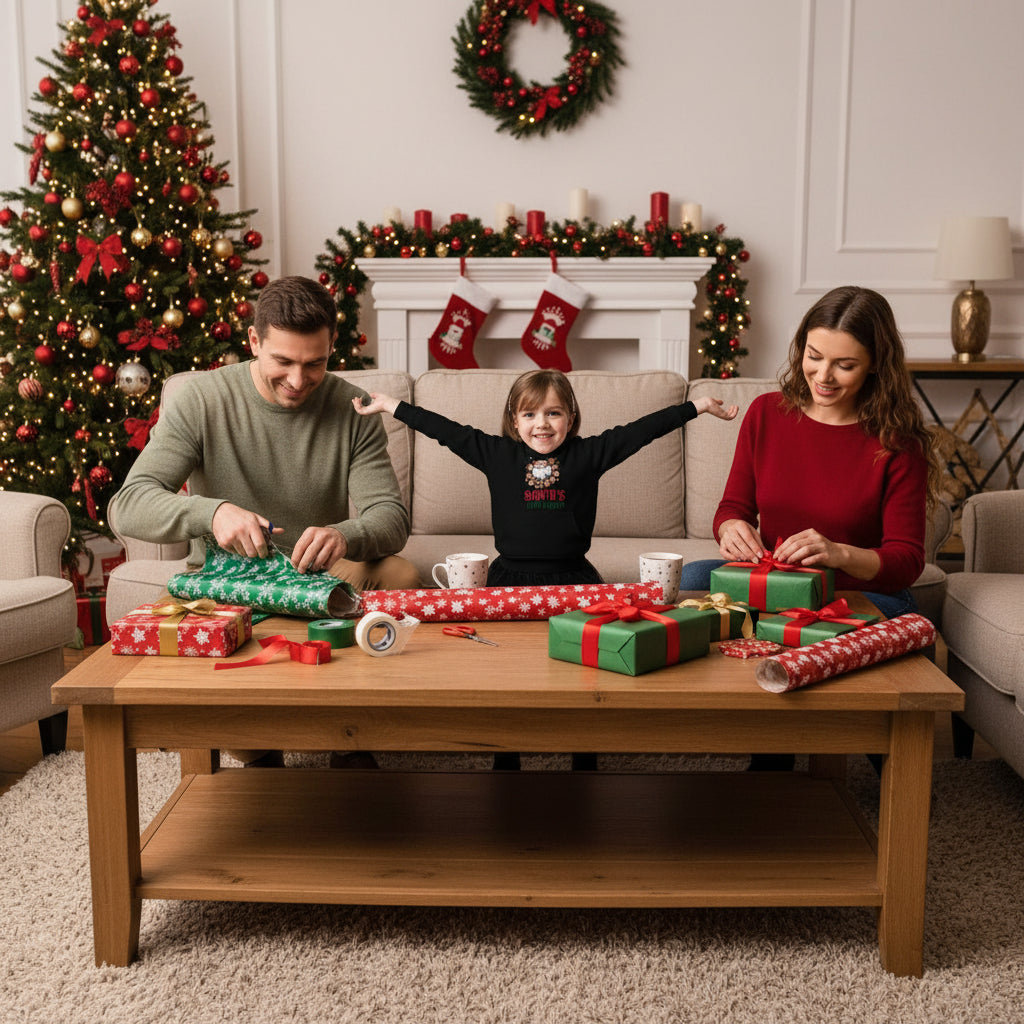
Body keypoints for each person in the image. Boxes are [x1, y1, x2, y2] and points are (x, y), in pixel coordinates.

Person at [355, 367, 738, 770]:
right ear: (513, 419)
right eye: (530, 414)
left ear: (571, 418)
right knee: (509, 671)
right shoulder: (495, 453)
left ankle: (583, 750)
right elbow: (444, 429)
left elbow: (642, 430)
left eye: (553, 413)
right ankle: (507, 752)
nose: (542, 424)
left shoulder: (589, 454)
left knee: (583, 668)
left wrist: (698, 406)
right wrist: (390, 405)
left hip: (575, 581)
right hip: (509, 582)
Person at [113, 275, 419, 768]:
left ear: (331, 347)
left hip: (316, 578)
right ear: (254, 342)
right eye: (283, 361)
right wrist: (210, 512)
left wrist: (345, 533)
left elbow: (391, 518)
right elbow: (129, 504)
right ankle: (259, 745)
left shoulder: (353, 408)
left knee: (401, 574)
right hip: (226, 583)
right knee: (248, 742)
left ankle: (353, 732)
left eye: (314, 363)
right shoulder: (201, 399)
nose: (298, 381)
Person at [677, 285, 942, 769]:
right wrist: (731, 527)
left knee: (839, 631)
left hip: (861, 592)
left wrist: (839, 553)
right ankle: (754, 738)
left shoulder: (897, 442)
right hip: (780, 585)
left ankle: (861, 744)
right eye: (814, 356)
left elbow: (905, 561)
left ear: (876, 365)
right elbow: (732, 505)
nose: (823, 375)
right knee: (695, 581)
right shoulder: (766, 415)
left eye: (845, 365)